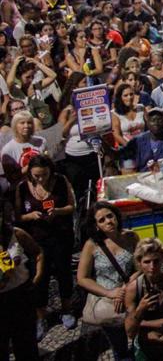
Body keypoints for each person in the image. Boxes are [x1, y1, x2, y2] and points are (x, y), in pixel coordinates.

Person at [15, 155, 76, 336]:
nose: (40, 179)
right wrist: (31, 216)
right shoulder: (23, 187)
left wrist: (57, 211)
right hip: (36, 239)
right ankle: (40, 316)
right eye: (36, 176)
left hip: (60, 235)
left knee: (64, 271)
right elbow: (18, 216)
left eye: (44, 175)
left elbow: (71, 206)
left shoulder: (60, 181)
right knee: (39, 276)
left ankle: (67, 309)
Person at [76, 201, 139, 361]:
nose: (108, 221)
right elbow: (82, 278)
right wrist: (110, 293)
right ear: (96, 225)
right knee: (119, 344)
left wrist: (126, 287)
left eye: (110, 216)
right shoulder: (92, 245)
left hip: (130, 293)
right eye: (101, 220)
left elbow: (141, 266)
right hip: (107, 300)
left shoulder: (131, 237)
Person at [124, 237, 163, 361]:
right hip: (146, 347)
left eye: (156, 261)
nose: (152, 266)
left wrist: (141, 323)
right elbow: (130, 332)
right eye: (147, 262)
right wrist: (140, 309)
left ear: (162, 259)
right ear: (139, 263)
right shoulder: (133, 289)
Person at [0, 197, 44, 361]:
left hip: (20, 296)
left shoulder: (15, 233)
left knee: (26, 346)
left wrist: (37, 277)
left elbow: (38, 252)